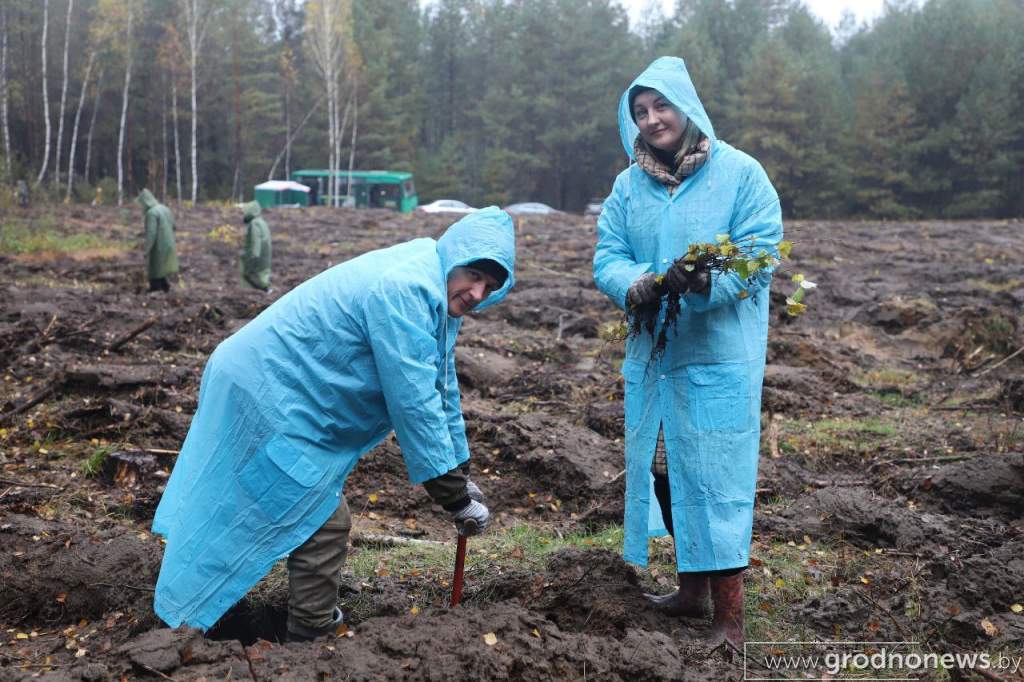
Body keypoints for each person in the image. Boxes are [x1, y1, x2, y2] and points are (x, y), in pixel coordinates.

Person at [151, 206, 515, 641]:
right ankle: (302, 634)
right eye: (474, 275)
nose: (477, 292)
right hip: (270, 392)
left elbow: (441, 386)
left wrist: (461, 468)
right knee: (313, 515)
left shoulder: (432, 288)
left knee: (262, 505)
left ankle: (207, 611)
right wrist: (453, 497)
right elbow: (413, 400)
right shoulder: (406, 290)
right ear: (456, 256)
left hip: (280, 390)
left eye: (489, 287)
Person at [592, 56, 783, 649]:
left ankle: (730, 619)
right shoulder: (629, 185)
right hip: (654, 356)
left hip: (719, 356)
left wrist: (703, 282)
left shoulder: (741, 174)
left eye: (661, 106)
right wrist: (642, 285)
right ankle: (691, 589)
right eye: (641, 112)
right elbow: (608, 255)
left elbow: (760, 252)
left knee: (716, 478)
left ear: (687, 106)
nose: (652, 120)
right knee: (666, 471)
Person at [138, 188, 179, 293]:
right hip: (169, 244)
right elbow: (174, 226)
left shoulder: (151, 213)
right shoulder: (165, 208)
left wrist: (146, 250)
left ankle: (155, 289)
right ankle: (165, 287)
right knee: (162, 270)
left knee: (155, 269)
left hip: (158, 247)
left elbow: (151, 233)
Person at [240, 201, 272, 292]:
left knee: (255, 279)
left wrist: (252, 259)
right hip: (264, 258)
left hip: (257, 259)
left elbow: (255, 243)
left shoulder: (255, 224)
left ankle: (265, 291)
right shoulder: (261, 222)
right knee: (263, 277)